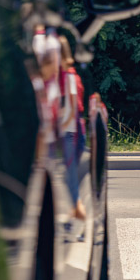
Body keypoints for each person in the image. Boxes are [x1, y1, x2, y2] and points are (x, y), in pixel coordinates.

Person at [59, 36, 87, 226]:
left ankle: (78, 222)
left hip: (68, 134)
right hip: (69, 133)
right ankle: (75, 220)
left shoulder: (68, 77)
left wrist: (60, 127)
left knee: (70, 182)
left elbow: (72, 108)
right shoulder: (67, 75)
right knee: (68, 181)